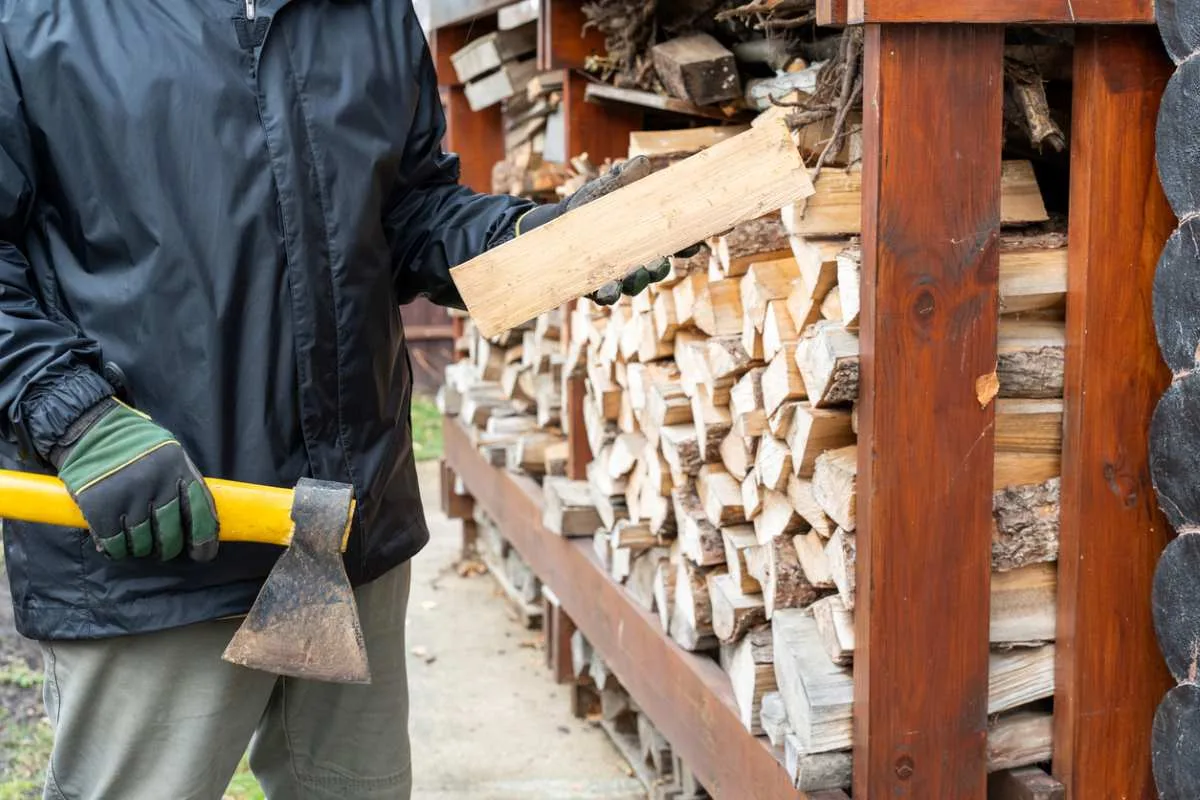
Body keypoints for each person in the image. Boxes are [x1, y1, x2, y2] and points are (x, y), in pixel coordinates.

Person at [0, 2, 680, 798]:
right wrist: (75, 417)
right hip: (156, 537)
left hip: (344, 529)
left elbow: (410, 212)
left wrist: (536, 240)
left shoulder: (370, 11)